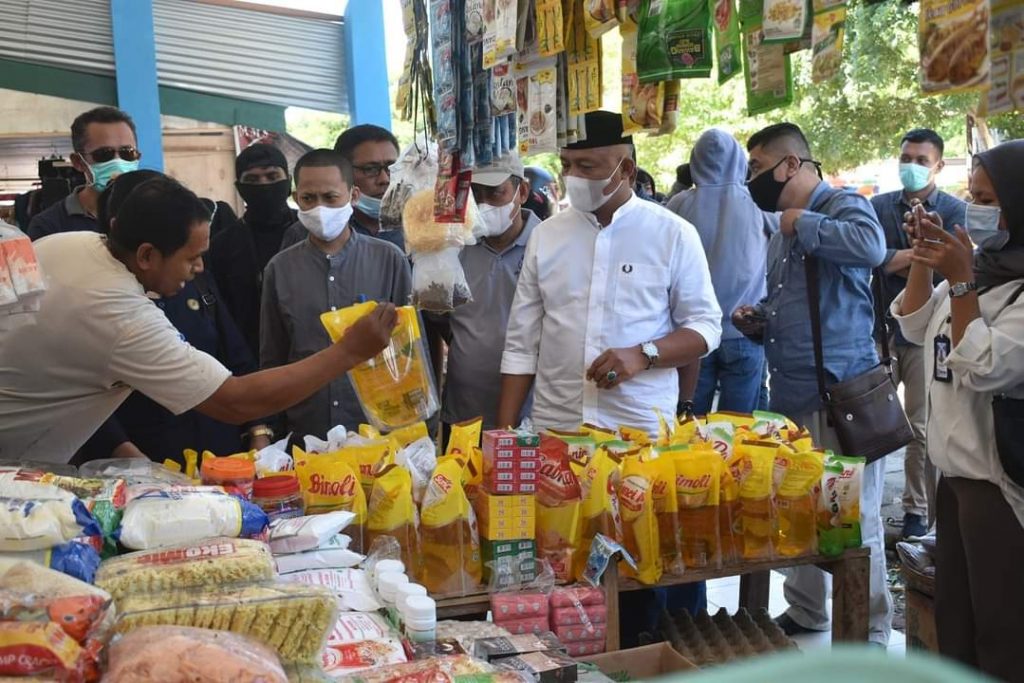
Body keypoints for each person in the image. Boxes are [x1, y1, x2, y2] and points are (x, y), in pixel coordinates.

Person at [0, 177, 396, 464]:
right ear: (146, 256)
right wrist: (348, 351)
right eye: (191, 258)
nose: (199, 268)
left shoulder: (71, 244)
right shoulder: (120, 314)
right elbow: (237, 400)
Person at [734, 123, 892, 646]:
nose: (752, 179)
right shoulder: (782, 227)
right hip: (793, 395)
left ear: (790, 166)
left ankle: (867, 630)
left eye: (758, 168)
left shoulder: (842, 205)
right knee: (799, 509)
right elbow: (795, 302)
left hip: (840, 393)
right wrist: (761, 318)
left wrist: (804, 222)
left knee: (852, 516)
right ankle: (808, 611)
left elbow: (871, 249)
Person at [497, 110, 721, 436]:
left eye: (586, 166)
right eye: (566, 165)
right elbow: (521, 345)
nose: (571, 176)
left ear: (626, 169)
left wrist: (644, 355)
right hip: (558, 430)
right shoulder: (546, 237)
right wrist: (504, 433)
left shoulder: (673, 234)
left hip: (639, 431)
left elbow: (705, 327)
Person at [891, 140, 1024, 680]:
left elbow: (984, 365)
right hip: (955, 483)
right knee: (959, 627)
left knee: (1004, 633)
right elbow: (917, 324)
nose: (975, 210)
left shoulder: (1006, 292)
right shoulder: (979, 275)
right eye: (971, 196)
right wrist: (925, 261)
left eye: (988, 198)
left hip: (1000, 491)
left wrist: (963, 278)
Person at [74, 171, 272, 466]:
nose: (198, 266)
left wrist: (258, 432)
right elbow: (83, 394)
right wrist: (131, 459)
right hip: (143, 464)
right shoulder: (97, 303)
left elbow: (235, 358)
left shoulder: (190, 276)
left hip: (220, 456)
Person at [261, 149, 412, 442]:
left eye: (330, 198)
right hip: (306, 433)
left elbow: (409, 352)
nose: (319, 208)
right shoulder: (279, 269)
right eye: (308, 198)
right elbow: (273, 358)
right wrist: (265, 432)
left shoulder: (390, 259)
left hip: (378, 433)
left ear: (353, 196)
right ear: (295, 198)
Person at [871, 128, 966, 539]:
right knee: (872, 426)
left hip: (927, 336)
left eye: (921, 161)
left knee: (921, 426)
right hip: (880, 331)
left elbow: (955, 268)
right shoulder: (876, 208)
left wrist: (901, 260)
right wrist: (921, 256)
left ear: (939, 166)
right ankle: (867, 509)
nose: (911, 166)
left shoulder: (958, 211)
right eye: (906, 157)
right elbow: (871, 260)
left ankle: (917, 511)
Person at [431, 154, 541, 437]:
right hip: (465, 412)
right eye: (474, 195)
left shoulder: (547, 244)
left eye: (495, 193)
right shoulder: (454, 246)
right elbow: (439, 316)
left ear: (523, 192)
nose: (483, 205)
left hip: (532, 414)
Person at [670, 129, 772, 414]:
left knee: (691, 426)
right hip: (744, 330)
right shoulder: (758, 202)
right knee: (738, 431)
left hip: (693, 336)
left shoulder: (679, 204)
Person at [209, 143, 299, 356]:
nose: (264, 185)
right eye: (252, 180)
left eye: (272, 176)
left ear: (288, 182)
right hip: (250, 359)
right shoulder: (222, 245)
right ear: (240, 188)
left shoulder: (310, 233)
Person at [27, 106, 140, 240]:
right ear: (78, 162)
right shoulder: (49, 226)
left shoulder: (154, 214)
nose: (117, 162)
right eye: (104, 154)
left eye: (127, 152)